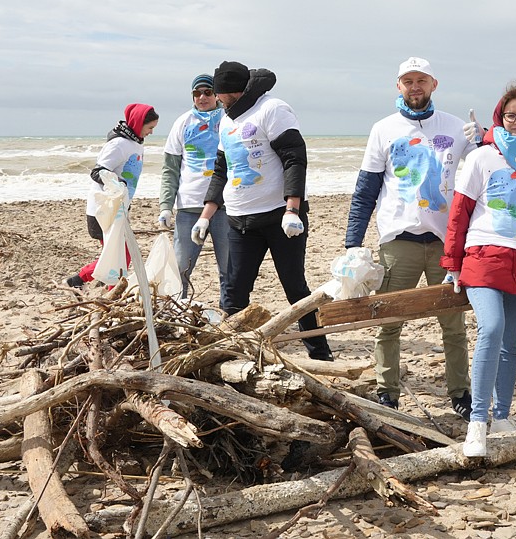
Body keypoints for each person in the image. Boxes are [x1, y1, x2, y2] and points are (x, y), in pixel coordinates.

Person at [344, 57, 481, 419]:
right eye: (408, 81)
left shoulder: (455, 127)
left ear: (434, 84)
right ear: (398, 86)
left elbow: (489, 168)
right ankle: (387, 393)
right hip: (398, 242)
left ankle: (461, 394)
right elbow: (366, 190)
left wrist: (486, 137)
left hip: (445, 244)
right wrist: (352, 243)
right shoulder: (383, 129)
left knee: (453, 325)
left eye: (422, 80)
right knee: (388, 322)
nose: (415, 86)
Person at [441, 82, 516, 457]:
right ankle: (478, 422)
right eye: (511, 116)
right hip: (483, 254)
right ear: (501, 119)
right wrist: (451, 262)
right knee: (491, 328)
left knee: (511, 343)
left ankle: (503, 416)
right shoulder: (482, 157)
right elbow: (459, 212)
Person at [194, 61, 332, 360]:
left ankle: (320, 353)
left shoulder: (273, 109)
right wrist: (206, 215)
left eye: (225, 96)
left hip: (280, 216)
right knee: (233, 291)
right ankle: (233, 353)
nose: (221, 101)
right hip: (239, 218)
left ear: (241, 90)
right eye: (219, 96)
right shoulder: (226, 120)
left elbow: (295, 158)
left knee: (295, 287)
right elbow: (221, 169)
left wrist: (292, 207)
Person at [67, 103, 159, 288]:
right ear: (138, 123)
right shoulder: (118, 144)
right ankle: (86, 282)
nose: (151, 132)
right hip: (103, 210)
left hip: (119, 209)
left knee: (117, 255)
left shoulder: (136, 143)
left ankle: (87, 281)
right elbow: (97, 172)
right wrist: (120, 183)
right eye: (150, 128)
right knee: (118, 257)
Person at [158, 74, 230, 302]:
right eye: (197, 93)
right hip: (190, 206)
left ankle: (231, 312)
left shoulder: (229, 119)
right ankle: (177, 311)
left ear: (217, 94)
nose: (202, 97)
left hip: (226, 205)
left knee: (230, 268)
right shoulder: (182, 122)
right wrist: (165, 206)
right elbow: (170, 168)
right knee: (181, 268)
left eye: (208, 92)